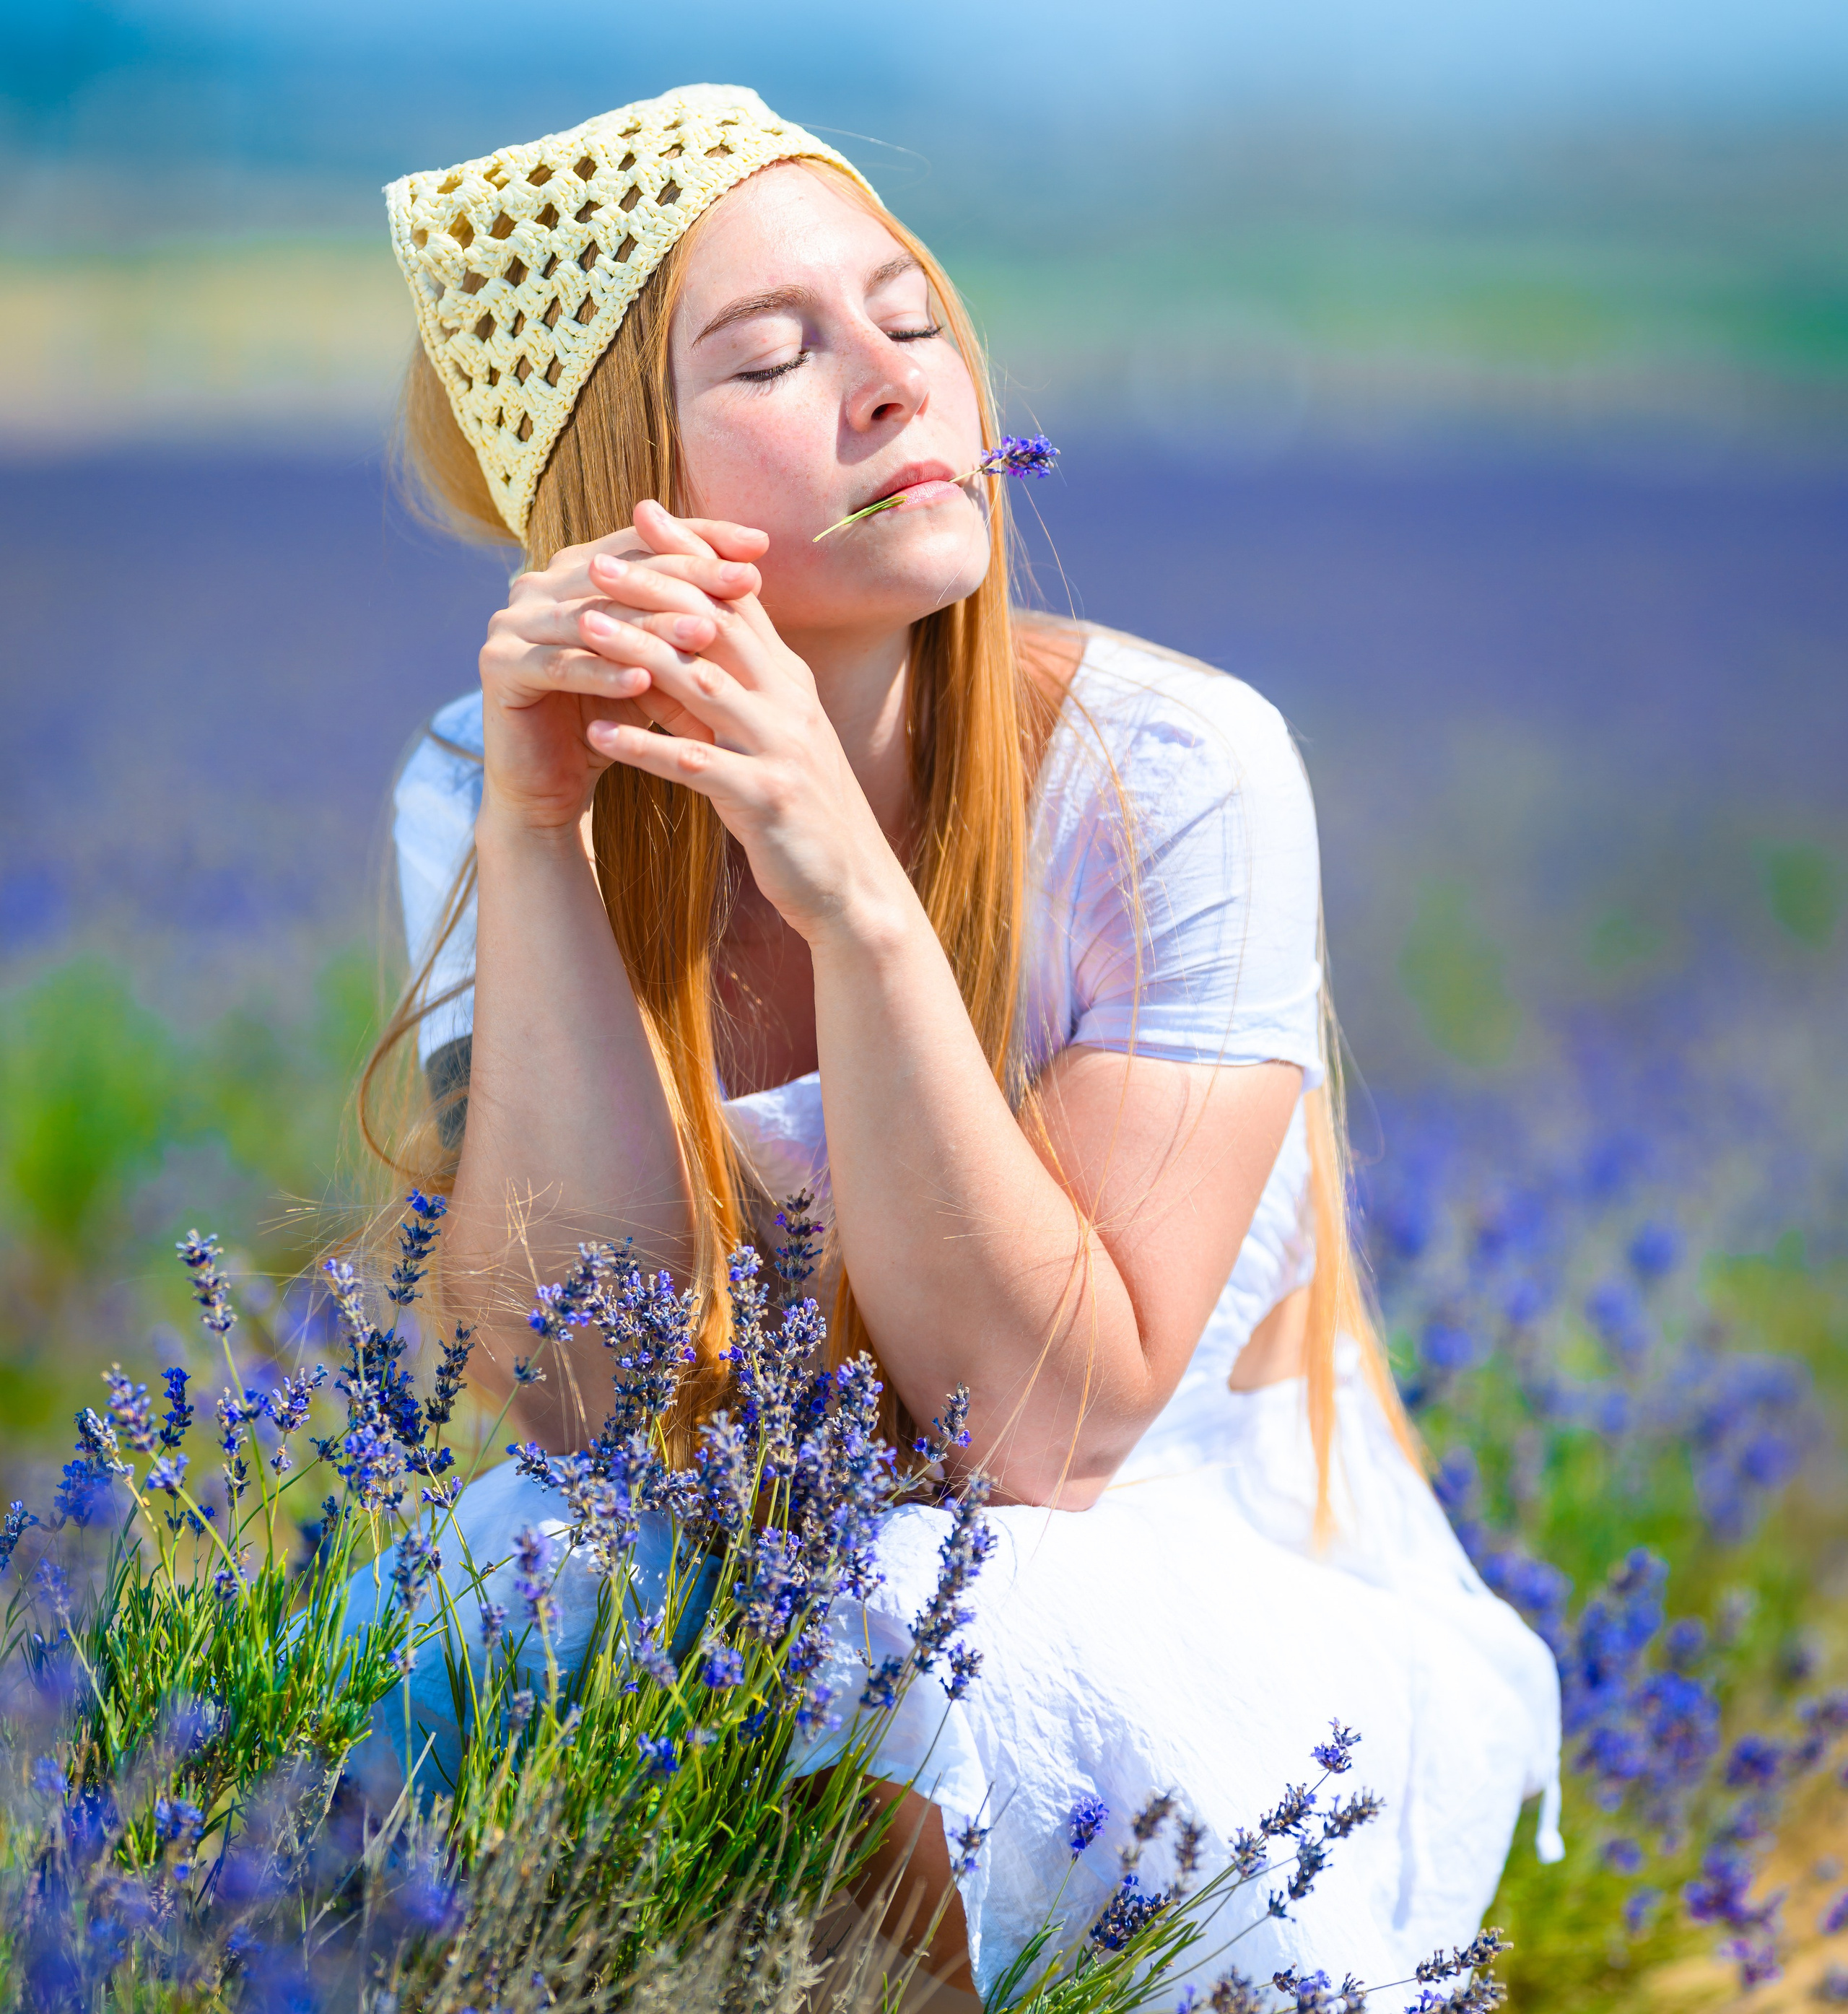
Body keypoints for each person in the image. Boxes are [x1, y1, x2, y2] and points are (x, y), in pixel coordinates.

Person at [365, 84, 1561, 2007]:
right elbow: (586, 1400)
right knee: (547, 1587)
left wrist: (848, 897)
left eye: (912, 319)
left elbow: (1042, 1433)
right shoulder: (481, 778)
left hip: (1145, 1589)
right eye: (775, 353)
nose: (894, 390)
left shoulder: (1179, 770)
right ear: (616, 492)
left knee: (928, 1619)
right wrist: (538, 841)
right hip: (727, 1547)